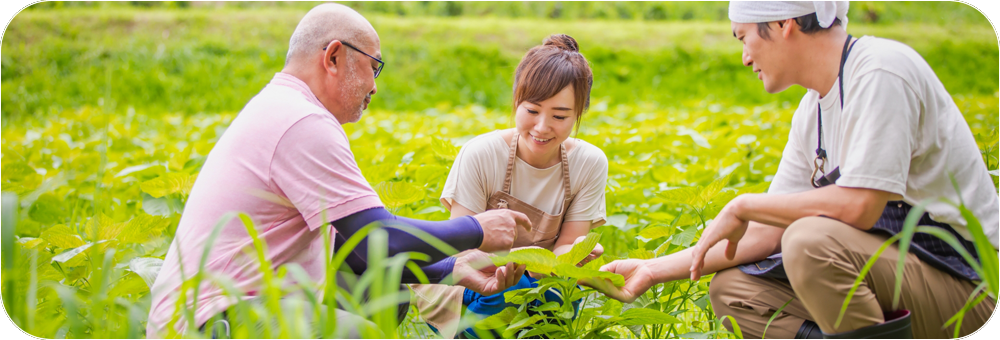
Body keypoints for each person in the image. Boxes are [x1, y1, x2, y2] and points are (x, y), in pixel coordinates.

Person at [584, 2, 998, 339]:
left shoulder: (881, 70)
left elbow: (860, 206)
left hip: (967, 283)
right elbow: (767, 232)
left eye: (744, 38)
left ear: (783, 23)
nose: (745, 57)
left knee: (809, 241)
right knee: (736, 291)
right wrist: (653, 270)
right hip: (896, 272)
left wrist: (744, 204)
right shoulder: (813, 111)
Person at [145, 4, 532, 338]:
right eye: (373, 67)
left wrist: (453, 268)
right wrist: (478, 230)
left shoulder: (284, 108)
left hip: (224, 307)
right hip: (210, 320)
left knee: (384, 290)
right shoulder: (300, 121)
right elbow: (376, 239)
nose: (374, 87)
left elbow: (353, 253)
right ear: (333, 57)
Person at [409, 34, 610, 339]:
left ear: (579, 113)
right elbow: (464, 255)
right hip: (472, 280)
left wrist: (576, 256)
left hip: (541, 278)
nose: (542, 127)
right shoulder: (482, 154)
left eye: (559, 116)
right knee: (513, 288)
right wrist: (533, 261)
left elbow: (566, 247)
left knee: (562, 294)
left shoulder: (589, 162)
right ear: (516, 101)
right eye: (531, 111)